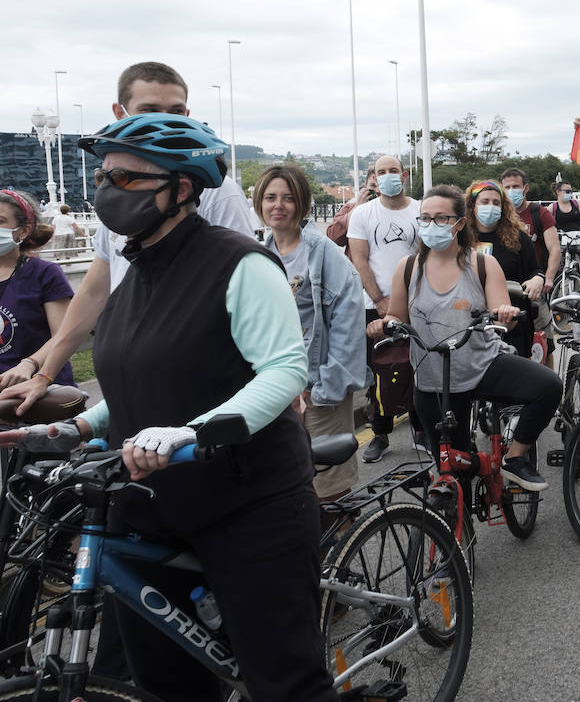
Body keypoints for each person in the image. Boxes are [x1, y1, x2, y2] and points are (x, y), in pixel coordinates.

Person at [0, 113, 335, 701]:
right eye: (105, 176)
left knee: (284, 683)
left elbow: (284, 370)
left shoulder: (240, 263)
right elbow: (142, 381)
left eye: (129, 179)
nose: (108, 189)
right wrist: (77, 426)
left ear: (182, 189)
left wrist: (191, 434)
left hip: (248, 501)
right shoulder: (137, 272)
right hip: (149, 501)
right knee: (165, 685)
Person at [2, 62, 257, 412]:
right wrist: (42, 371)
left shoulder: (217, 193)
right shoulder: (123, 195)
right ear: (120, 113)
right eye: (149, 110)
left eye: (176, 111)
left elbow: (243, 291)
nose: (166, 120)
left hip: (196, 387)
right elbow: (93, 293)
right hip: (133, 385)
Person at [369, 185, 560, 492]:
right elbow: (396, 315)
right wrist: (384, 325)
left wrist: (504, 312)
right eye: (425, 219)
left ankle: (516, 456)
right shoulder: (407, 268)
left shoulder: (482, 264)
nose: (432, 225)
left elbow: (499, 306)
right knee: (453, 470)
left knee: (548, 386)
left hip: (481, 365)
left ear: (459, 223)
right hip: (432, 380)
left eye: (441, 218)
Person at [255, 163, 367, 502]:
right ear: (260, 203)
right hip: (277, 389)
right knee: (285, 484)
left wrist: (326, 388)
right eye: (271, 197)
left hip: (320, 388)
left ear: (302, 203)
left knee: (329, 489)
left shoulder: (324, 254)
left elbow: (348, 324)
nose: (278, 205)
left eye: (288, 198)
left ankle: (342, 549)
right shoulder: (259, 255)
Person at [347, 154, 420, 463]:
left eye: (393, 170)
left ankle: (422, 430)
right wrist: (380, 301)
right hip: (375, 304)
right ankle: (380, 434)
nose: (388, 176)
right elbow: (359, 259)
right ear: (374, 178)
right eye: (381, 172)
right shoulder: (362, 214)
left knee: (419, 368)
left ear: (403, 176)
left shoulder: (420, 210)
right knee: (382, 371)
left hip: (417, 302)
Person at [0, 190, 75, 390]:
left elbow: (63, 335)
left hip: (42, 390)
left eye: (0, 221)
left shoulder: (45, 273)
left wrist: (29, 364)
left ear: (23, 231)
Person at [468, 180, 541, 358]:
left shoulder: (518, 238)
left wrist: (538, 278)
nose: (490, 206)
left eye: (496, 202)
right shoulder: (461, 239)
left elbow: (534, 270)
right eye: (485, 202)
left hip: (511, 323)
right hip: (469, 323)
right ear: (472, 205)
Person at [501, 167, 560, 307]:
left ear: (525, 188)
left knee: (540, 325)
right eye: (507, 187)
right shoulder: (499, 215)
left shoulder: (540, 213)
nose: (511, 191)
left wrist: (548, 278)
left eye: (515, 186)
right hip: (504, 286)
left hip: (534, 285)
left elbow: (555, 249)